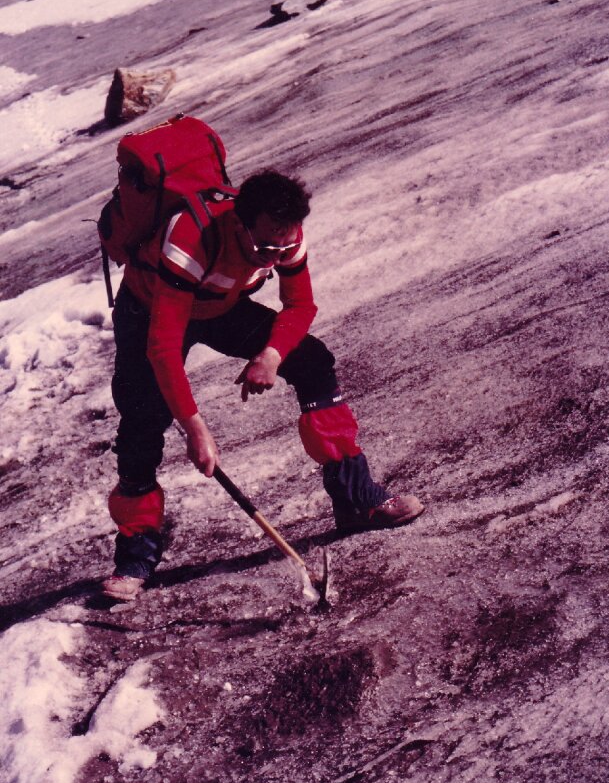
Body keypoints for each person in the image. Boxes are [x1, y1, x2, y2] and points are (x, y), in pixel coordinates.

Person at [102, 170, 423, 600]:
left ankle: (355, 498)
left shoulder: (284, 232)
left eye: (283, 247)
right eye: (267, 247)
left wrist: (270, 355)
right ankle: (135, 554)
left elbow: (300, 303)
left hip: (219, 305)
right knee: (144, 420)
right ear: (241, 223)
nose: (274, 257)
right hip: (149, 311)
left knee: (310, 360)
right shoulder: (192, 237)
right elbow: (162, 346)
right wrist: (197, 431)